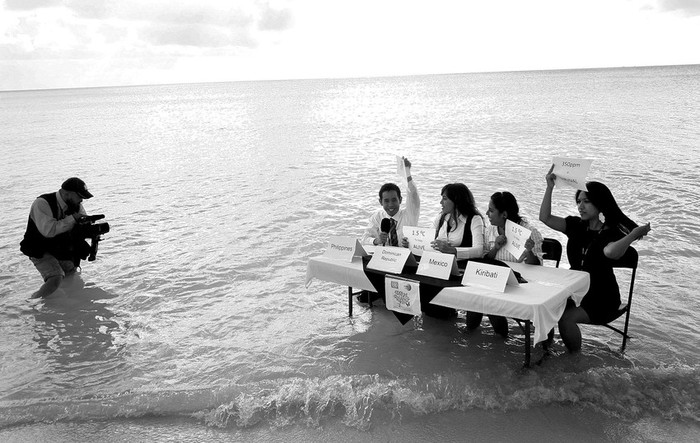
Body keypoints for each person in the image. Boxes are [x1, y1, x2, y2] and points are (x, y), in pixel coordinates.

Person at [539, 165, 651, 352]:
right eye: (579, 201)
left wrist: (632, 235)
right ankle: (546, 352)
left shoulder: (611, 231)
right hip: (574, 291)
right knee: (545, 306)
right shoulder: (576, 225)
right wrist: (549, 187)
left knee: (566, 320)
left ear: (599, 204)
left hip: (602, 297)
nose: (580, 206)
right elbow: (545, 218)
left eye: (586, 202)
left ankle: (574, 360)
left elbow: (610, 253)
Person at [467, 191, 545, 337]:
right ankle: (471, 337)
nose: (487, 213)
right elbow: (485, 259)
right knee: (476, 298)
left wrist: (529, 251)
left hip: (520, 283)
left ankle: (500, 336)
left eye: (491, 210)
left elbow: (536, 267)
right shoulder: (490, 230)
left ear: (504, 214)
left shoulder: (529, 232)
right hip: (496, 278)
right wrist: (496, 247)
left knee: (490, 301)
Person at [20, 177, 94, 298]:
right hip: (38, 248)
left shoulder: (75, 204)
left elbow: (81, 221)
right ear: (66, 193)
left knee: (71, 272)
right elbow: (48, 230)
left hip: (60, 247)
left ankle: (65, 304)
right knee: (55, 277)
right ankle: (30, 304)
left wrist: (89, 229)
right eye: (80, 196)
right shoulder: (42, 203)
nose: (81, 201)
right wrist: (73, 219)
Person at [362, 157, 420, 247]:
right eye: (386, 201)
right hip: (385, 257)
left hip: (406, 258)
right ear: (380, 202)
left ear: (400, 200)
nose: (390, 205)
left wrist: (407, 172)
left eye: (394, 200)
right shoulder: (377, 217)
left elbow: (413, 195)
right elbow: (364, 239)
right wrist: (377, 240)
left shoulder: (410, 215)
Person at [429, 183, 485, 263]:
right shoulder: (441, 217)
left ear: (456, 201)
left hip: (461, 267)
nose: (441, 202)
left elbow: (479, 251)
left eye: (445, 199)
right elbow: (427, 240)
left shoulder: (474, 219)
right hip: (438, 263)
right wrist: (411, 243)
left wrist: (453, 250)